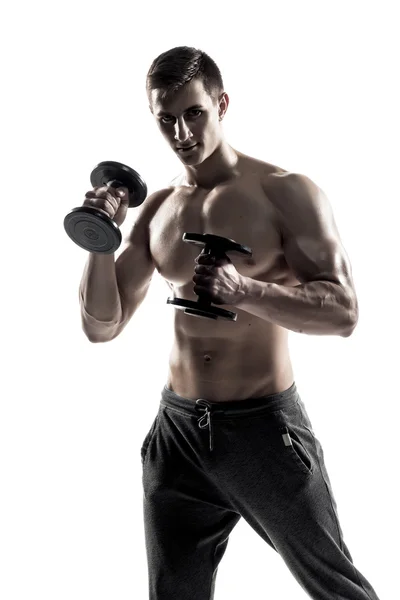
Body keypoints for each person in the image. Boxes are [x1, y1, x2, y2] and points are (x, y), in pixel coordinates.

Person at [79, 47, 380, 600]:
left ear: (221, 104)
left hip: (263, 431)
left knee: (338, 590)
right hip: (177, 432)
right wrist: (101, 238)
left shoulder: (285, 191)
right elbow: (103, 325)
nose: (181, 131)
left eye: (193, 113)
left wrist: (249, 290)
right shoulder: (161, 206)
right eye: (165, 118)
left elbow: (344, 312)